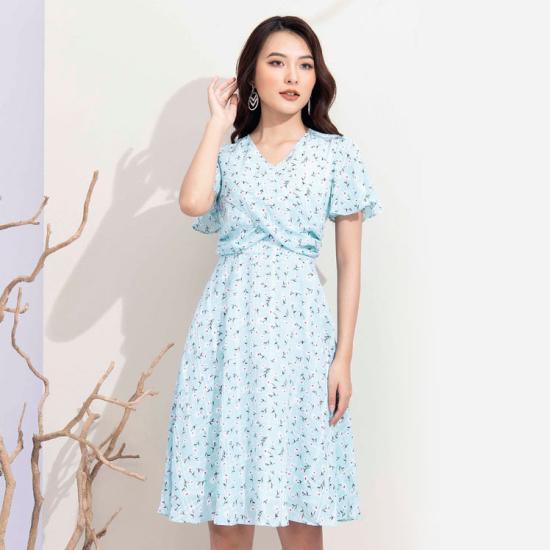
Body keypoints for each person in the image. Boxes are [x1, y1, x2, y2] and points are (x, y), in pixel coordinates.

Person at [157, 15, 382, 550]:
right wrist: (217, 124)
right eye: (277, 63)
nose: (292, 76)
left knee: (299, 511)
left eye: (305, 65)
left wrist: (343, 357)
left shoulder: (336, 155)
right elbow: (192, 202)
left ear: (316, 77)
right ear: (252, 76)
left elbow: (350, 263)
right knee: (227, 512)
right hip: (228, 336)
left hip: (300, 339)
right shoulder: (229, 158)